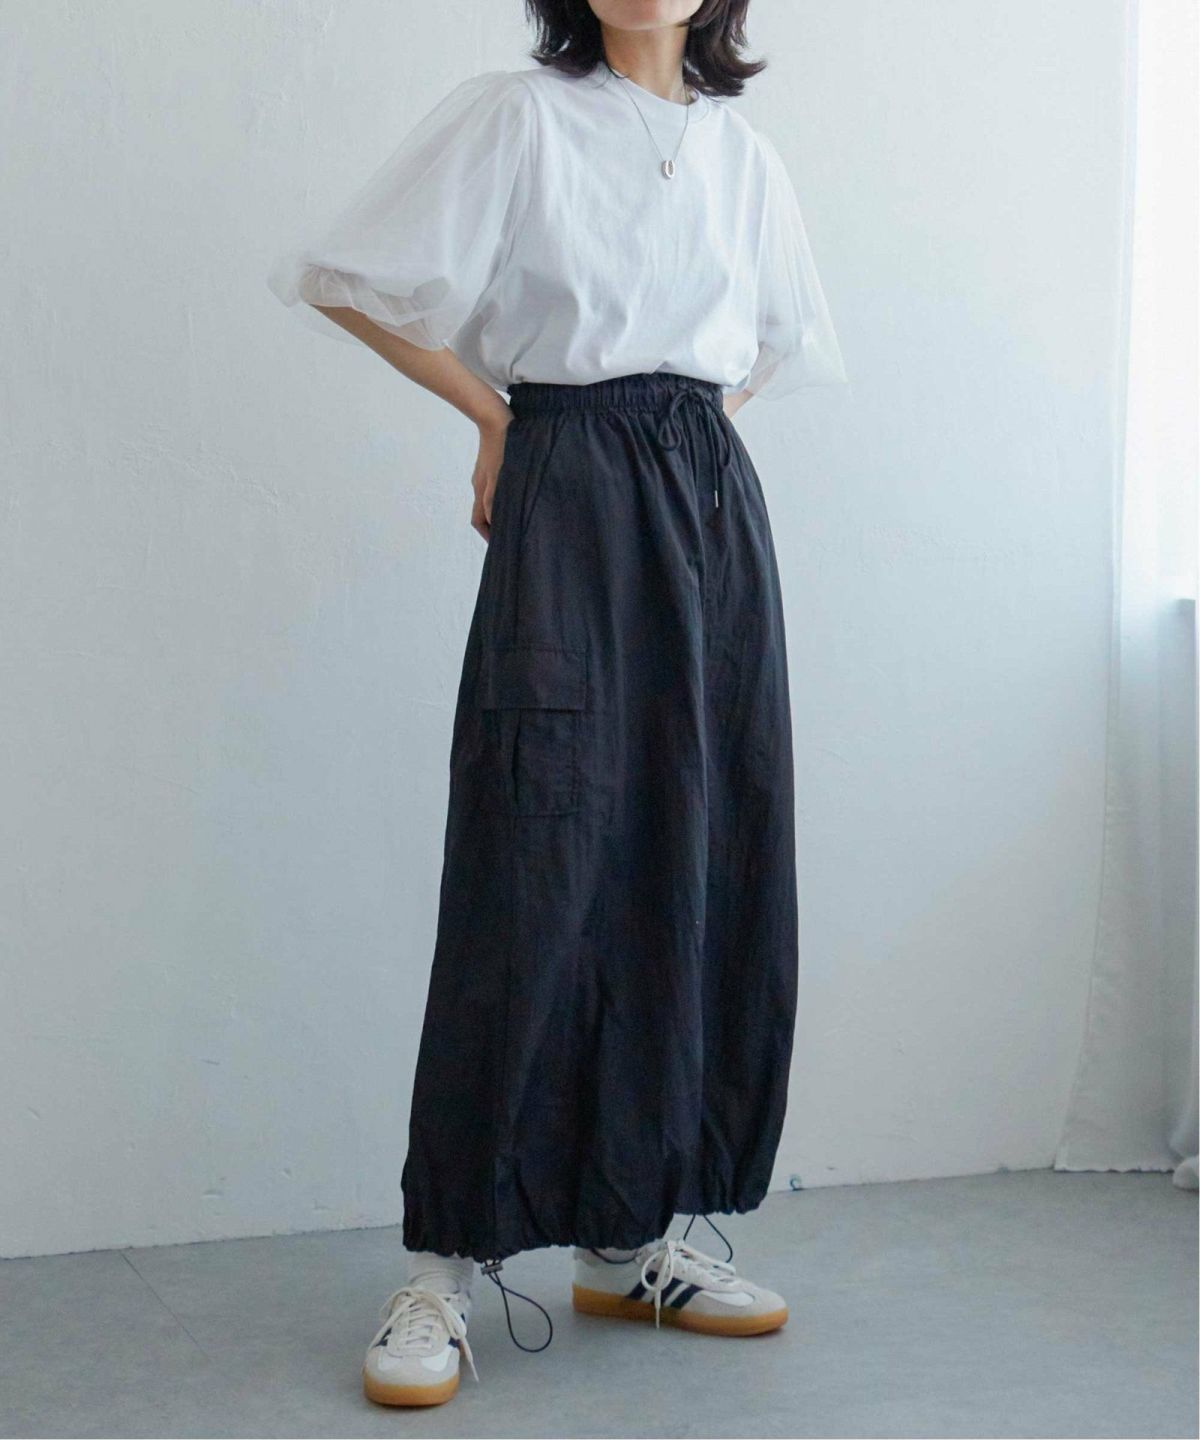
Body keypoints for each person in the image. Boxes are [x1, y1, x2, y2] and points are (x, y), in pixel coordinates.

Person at [267, 0, 847, 1409]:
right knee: (533, 861)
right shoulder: (519, 117)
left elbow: (765, 345)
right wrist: (500, 419)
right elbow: (346, 277)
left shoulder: (744, 154)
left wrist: (673, 457)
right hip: (569, 483)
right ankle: (444, 1266)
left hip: (706, 502)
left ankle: (630, 1238)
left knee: (693, 854)